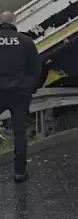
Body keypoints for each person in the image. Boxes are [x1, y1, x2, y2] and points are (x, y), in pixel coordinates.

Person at [0, 11, 41, 183]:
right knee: (19, 132)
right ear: (14, 22)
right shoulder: (25, 41)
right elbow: (36, 68)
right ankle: (19, 172)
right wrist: (30, 87)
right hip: (20, 93)